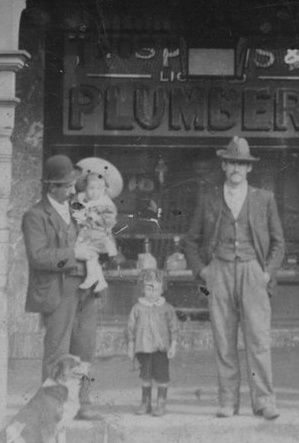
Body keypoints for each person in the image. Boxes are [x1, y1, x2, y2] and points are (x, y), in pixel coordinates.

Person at [183, 136, 285, 421]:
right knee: (224, 340)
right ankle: (228, 401)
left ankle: (264, 400)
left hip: (254, 271)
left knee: (258, 339)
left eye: (242, 163)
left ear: (249, 168)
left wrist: (267, 273)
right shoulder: (210, 198)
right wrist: (203, 271)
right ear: (224, 165)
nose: (236, 168)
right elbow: (191, 241)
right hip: (220, 271)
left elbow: (279, 242)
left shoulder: (264, 199)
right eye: (231, 163)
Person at [21, 153, 102, 420]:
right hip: (58, 290)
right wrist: (74, 253)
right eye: (66, 186)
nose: (72, 189)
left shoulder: (77, 209)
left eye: (72, 184)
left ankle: (83, 402)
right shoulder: (35, 215)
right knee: (57, 352)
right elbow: (38, 256)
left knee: (85, 348)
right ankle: (50, 407)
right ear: (51, 187)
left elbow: (95, 233)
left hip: (85, 290)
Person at [127, 268, 180, 416]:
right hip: (143, 349)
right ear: (142, 288)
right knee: (145, 377)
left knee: (162, 377)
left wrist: (173, 345)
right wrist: (131, 346)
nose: (152, 292)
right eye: (149, 288)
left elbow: (174, 327)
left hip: (160, 349)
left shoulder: (167, 308)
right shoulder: (137, 308)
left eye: (156, 289)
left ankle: (161, 404)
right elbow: (131, 328)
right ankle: (145, 403)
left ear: (162, 290)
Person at [71, 159, 121, 294]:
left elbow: (110, 221)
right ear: (85, 188)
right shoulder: (81, 198)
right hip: (85, 234)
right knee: (88, 255)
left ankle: (93, 277)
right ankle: (99, 280)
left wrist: (98, 218)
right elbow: (75, 210)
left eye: (99, 188)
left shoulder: (105, 203)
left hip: (99, 235)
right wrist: (81, 216)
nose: (95, 192)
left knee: (90, 254)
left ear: (104, 189)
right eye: (91, 188)